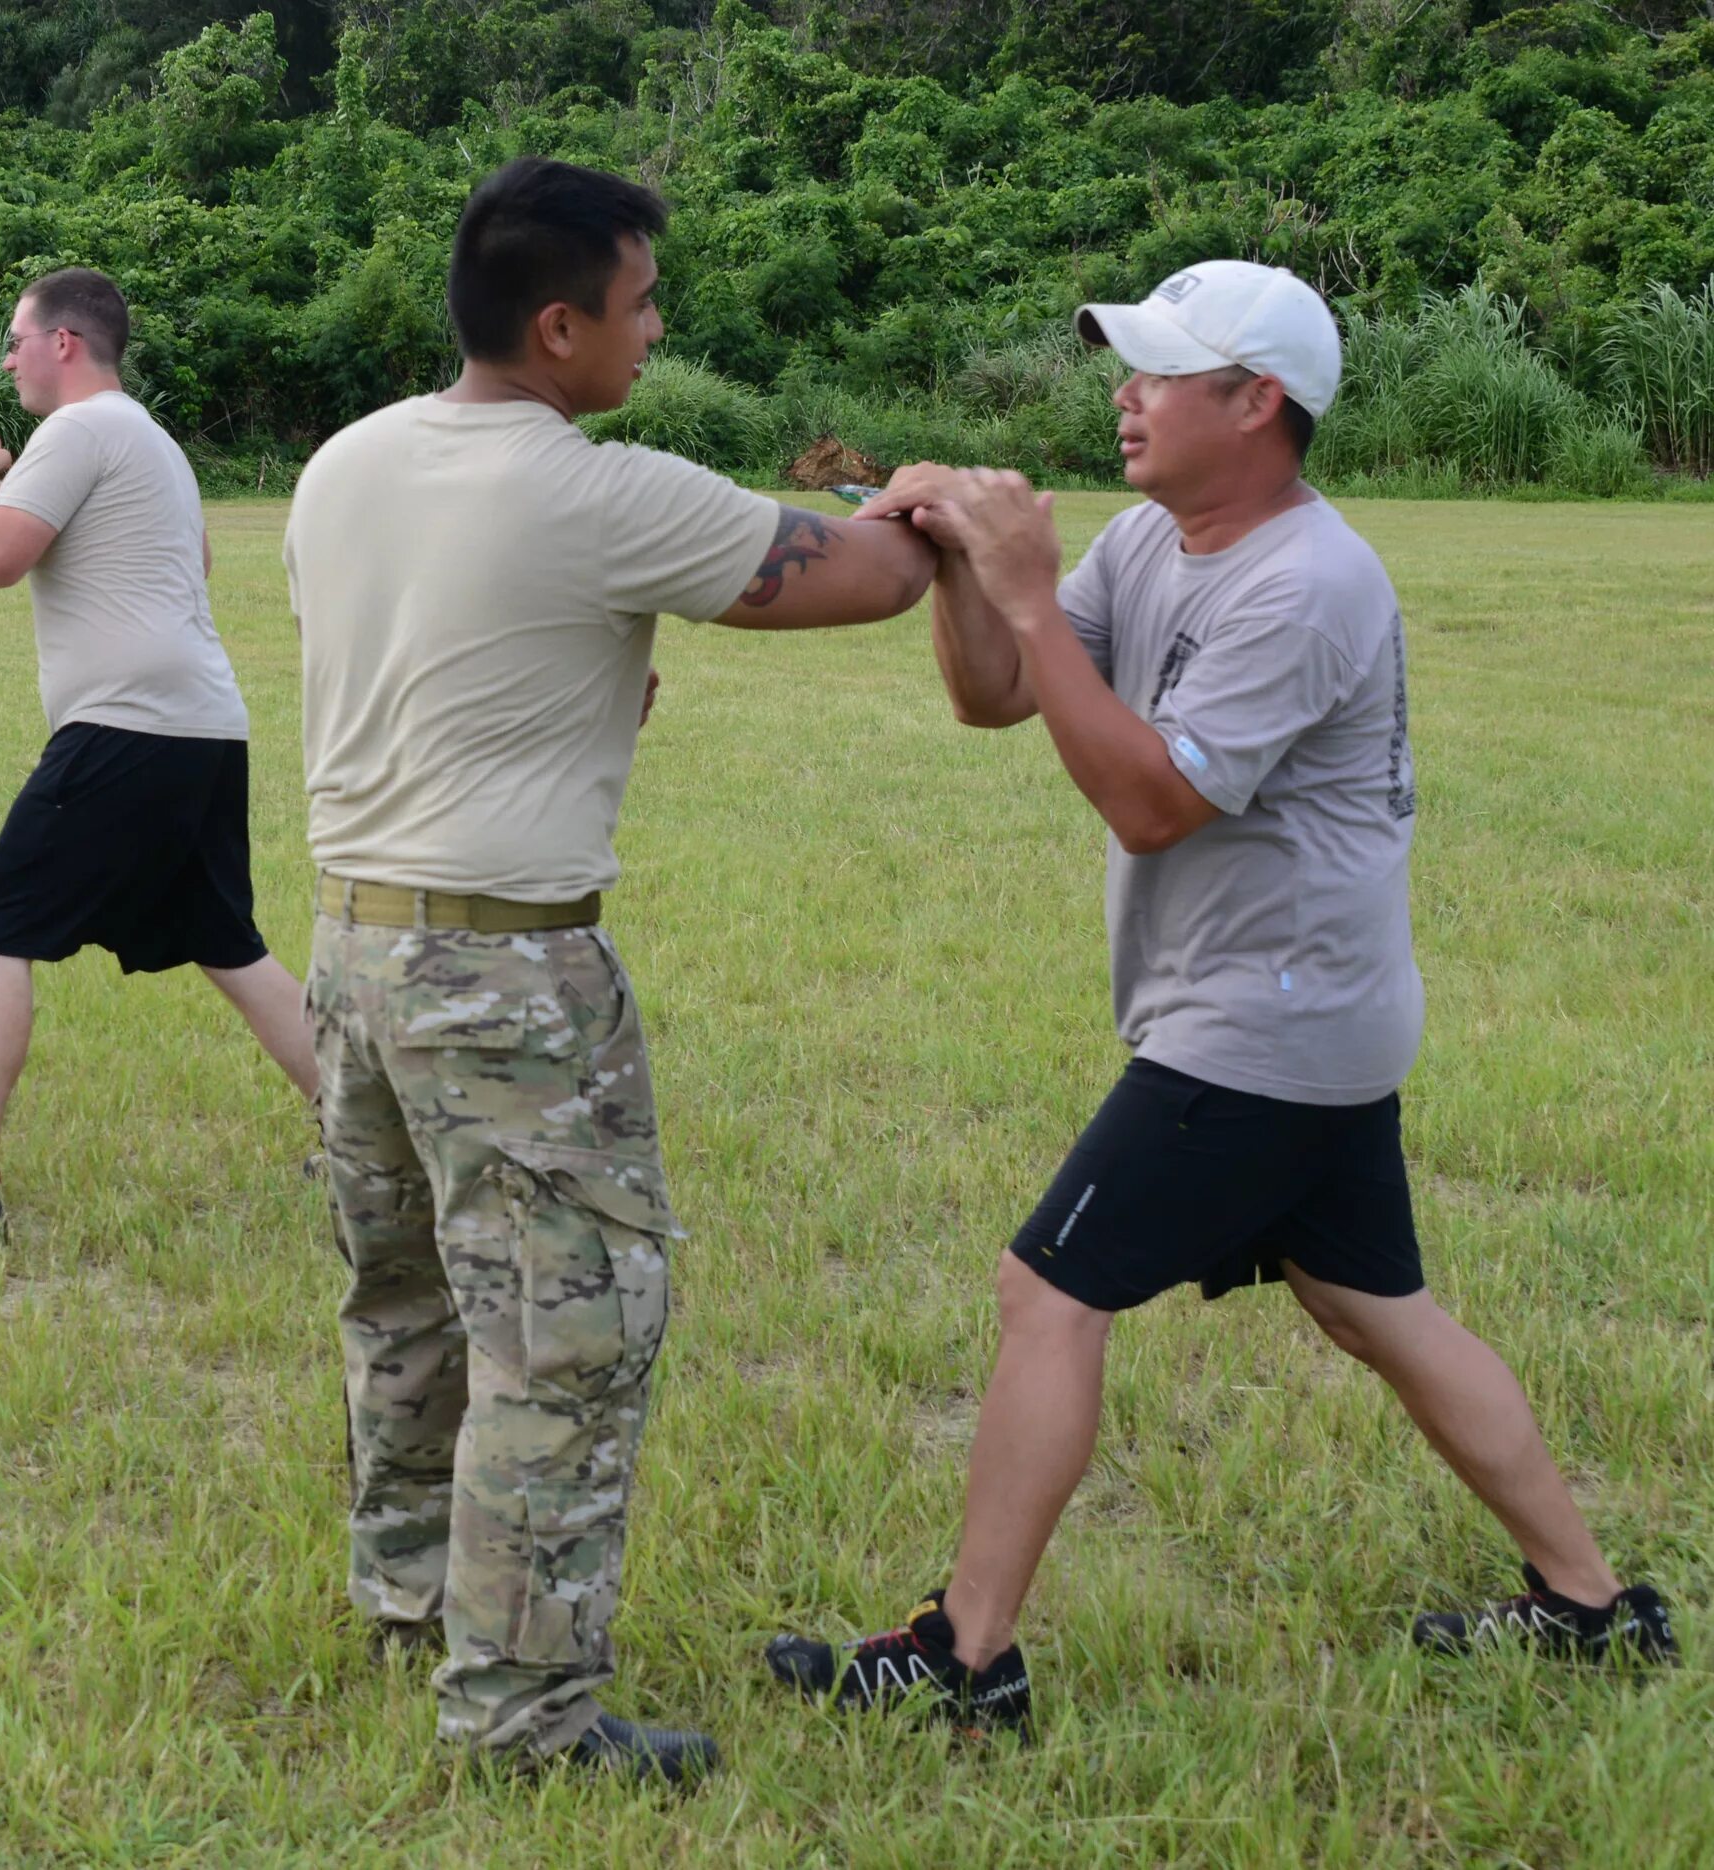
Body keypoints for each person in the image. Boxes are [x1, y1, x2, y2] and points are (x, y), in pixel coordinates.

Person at [766, 261, 1678, 1735]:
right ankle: (1587, 1603)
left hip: (1268, 1024)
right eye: (1127, 366)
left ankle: (966, 1652)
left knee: (1048, 1288)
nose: (1124, 394)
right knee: (1376, 1304)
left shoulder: (1310, 581)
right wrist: (962, 571)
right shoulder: (1151, 540)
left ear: (1256, 402)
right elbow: (1001, 695)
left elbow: (1150, 802)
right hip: (1312, 1011)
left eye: (1160, 372)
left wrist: (1019, 591)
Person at [284, 157, 936, 1783]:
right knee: (565, 1340)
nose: (657, 331)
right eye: (642, 305)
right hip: (503, 976)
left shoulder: (347, 464)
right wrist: (934, 508)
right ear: (560, 325)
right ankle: (521, 1718)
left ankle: (413, 1596)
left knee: (407, 1300)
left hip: (354, 947)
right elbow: (871, 575)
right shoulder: (597, 489)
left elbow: (455, 665)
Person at [0, 268, 317, 1255]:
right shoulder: (148, 440)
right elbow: (192, 567)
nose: (6, 356)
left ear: (65, 342)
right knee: (227, 943)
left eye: (15, 338)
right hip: (199, 726)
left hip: (126, 728)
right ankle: (376, 1135)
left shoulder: (78, 430)